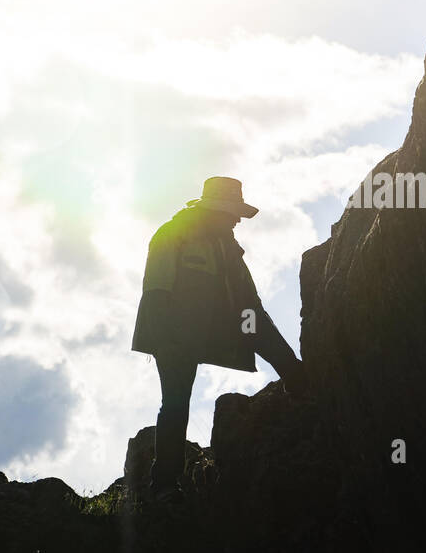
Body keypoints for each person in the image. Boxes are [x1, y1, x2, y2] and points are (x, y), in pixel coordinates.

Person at [131, 175, 306, 502]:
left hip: (209, 332)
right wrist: (164, 340)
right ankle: (165, 486)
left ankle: (299, 381)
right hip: (174, 338)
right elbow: (155, 290)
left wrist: (288, 364)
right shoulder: (173, 235)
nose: (238, 218)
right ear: (216, 210)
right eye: (232, 211)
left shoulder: (228, 249)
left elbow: (252, 311)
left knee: (177, 403)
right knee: (175, 406)